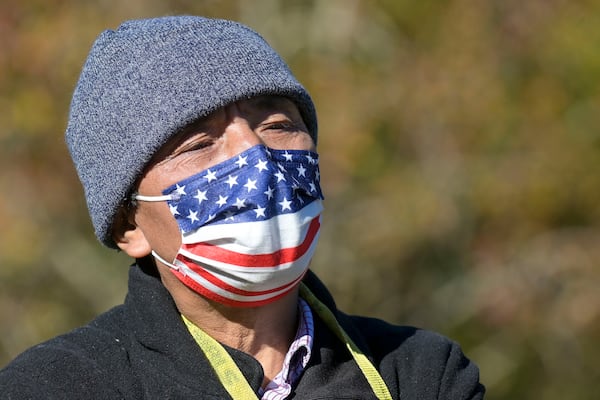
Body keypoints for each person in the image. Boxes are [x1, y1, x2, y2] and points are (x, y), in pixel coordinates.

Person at [0, 16, 485, 399]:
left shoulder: (418, 372)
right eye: (198, 145)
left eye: (277, 124)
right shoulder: (55, 387)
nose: (256, 159)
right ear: (130, 227)